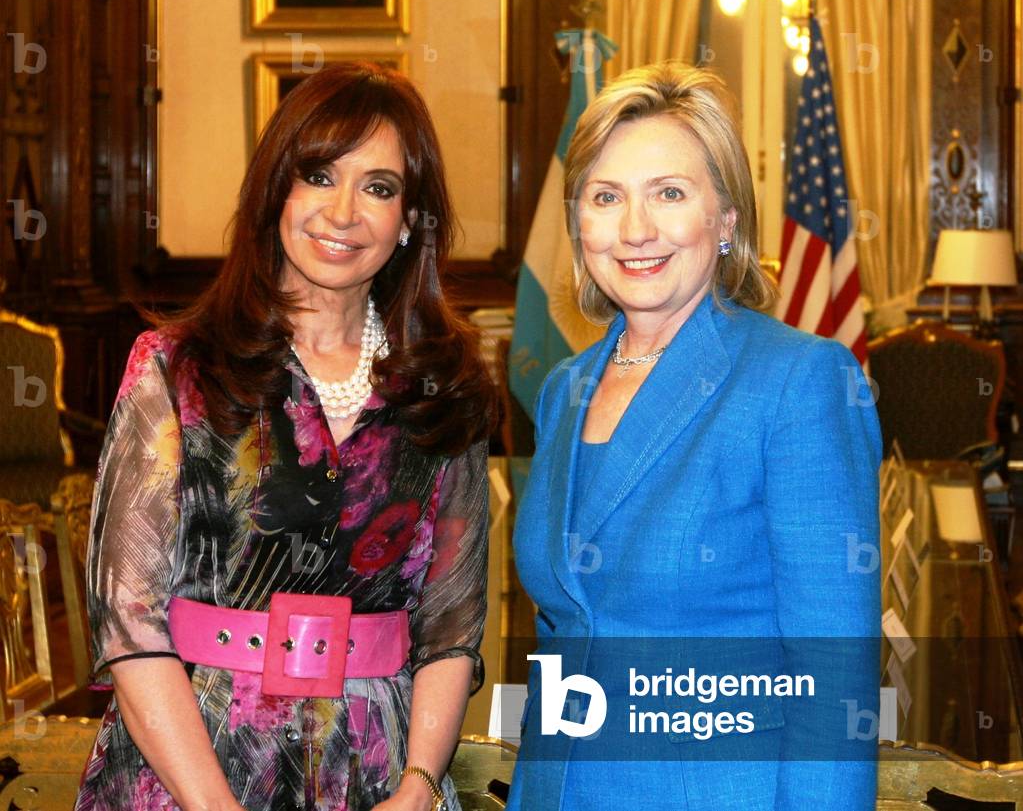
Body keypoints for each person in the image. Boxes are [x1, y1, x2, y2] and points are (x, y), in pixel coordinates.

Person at [75, 62, 498, 811]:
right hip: (188, 771)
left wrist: (419, 786)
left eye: (378, 187)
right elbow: (126, 619)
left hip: (377, 776)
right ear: (277, 191)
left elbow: (452, 627)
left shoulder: (449, 389)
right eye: (318, 174)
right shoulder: (175, 369)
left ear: (408, 221)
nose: (343, 211)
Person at [507, 62, 881, 810]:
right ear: (578, 224)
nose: (635, 229)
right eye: (606, 197)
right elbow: (566, 628)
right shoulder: (562, 390)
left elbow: (833, 676)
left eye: (669, 194)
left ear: (725, 220)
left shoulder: (798, 381)